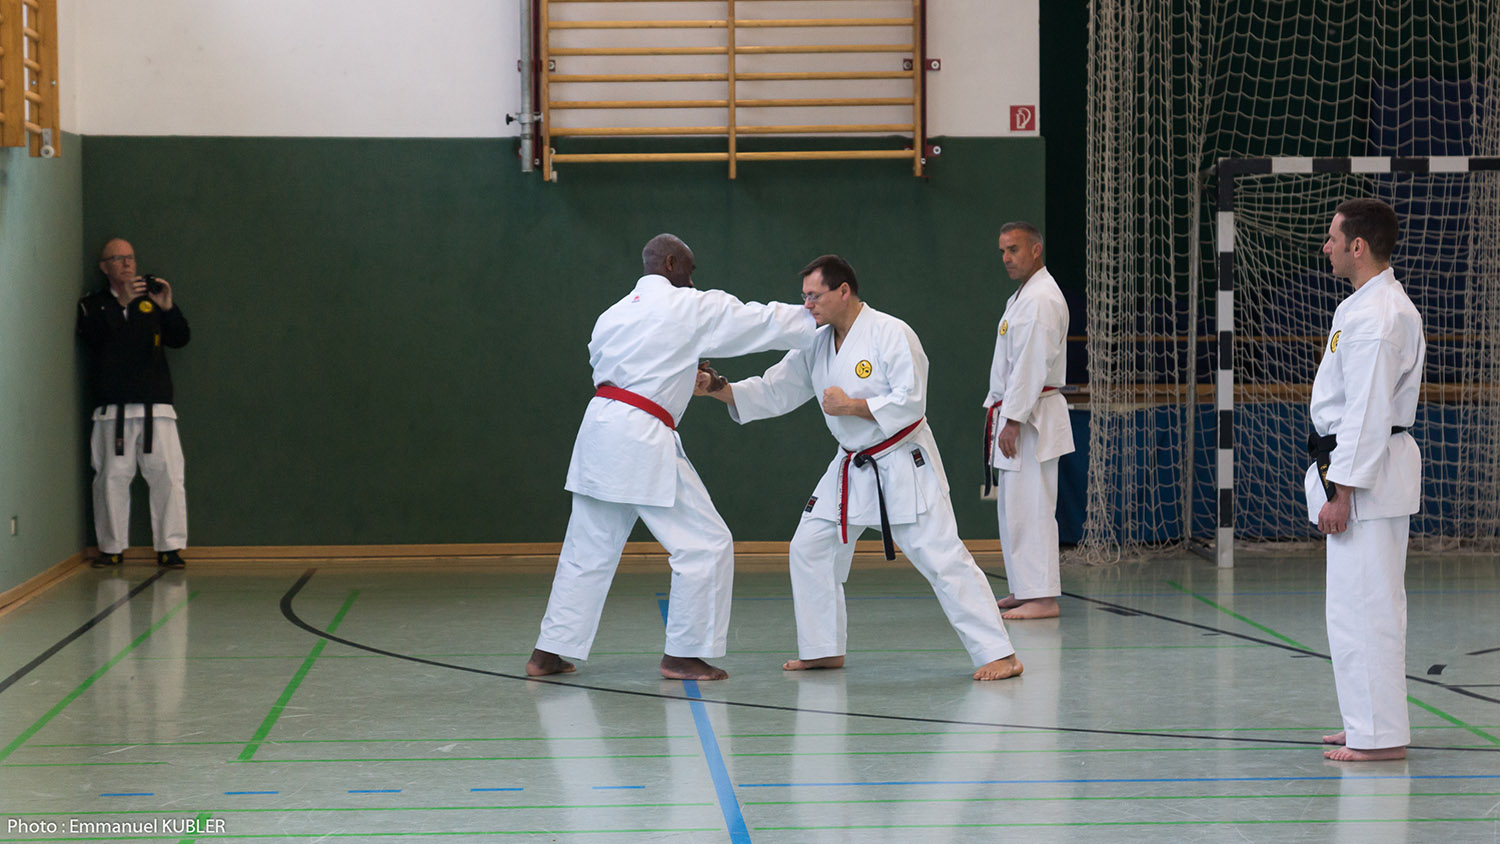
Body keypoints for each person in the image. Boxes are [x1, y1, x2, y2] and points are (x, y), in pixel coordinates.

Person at [697, 255, 1023, 681]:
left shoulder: (891, 333)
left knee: (942, 557)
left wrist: (852, 405)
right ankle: (823, 649)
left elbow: (911, 401)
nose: (807, 305)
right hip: (851, 465)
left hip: (902, 461)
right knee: (810, 547)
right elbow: (775, 390)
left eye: (815, 296)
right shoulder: (816, 343)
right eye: (804, 297)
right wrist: (717, 388)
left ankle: (1001, 654)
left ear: (843, 291)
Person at [526, 234, 816, 682]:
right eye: (689, 271)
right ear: (670, 263)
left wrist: (681, 369)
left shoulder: (611, 315)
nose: (692, 281)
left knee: (587, 550)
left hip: (599, 431)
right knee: (705, 544)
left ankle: (547, 653)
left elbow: (629, 364)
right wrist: (815, 314)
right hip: (641, 437)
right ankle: (683, 655)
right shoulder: (686, 305)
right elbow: (757, 320)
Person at [1306, 198, 1424, 762]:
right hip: (1359, 472)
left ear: (1358, 246)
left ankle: (1380, 737)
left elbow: (1368, 411)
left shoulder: (1379, 317)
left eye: (1333, 238)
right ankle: (1366, 723)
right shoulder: (1363, 306)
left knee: (1370, 608)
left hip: (1366, 481)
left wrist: (1342, 491)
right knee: (1351, 609)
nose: (1326, 246)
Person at [76, 238, 191, 570]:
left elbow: (180, 338)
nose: (127, 263)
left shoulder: (150, 301)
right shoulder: (93, 305)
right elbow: (92, 337)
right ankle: (111, 548)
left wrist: (168, 307)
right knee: (111, 479)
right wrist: (120, 304)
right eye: (118, 258)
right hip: (113, 410)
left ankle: (170, 548)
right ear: (104, 267)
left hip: (157, 407)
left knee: (168, 478)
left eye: (130, 257)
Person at [983, 222, 1073, 620]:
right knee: (1015, 508)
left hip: (1031, 417)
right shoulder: (1022, 297)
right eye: (1003, 250)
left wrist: (1014, 419)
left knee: (1033, 507)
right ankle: (1025, 588)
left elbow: (1031, 365)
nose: (1006, 257)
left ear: (1036, 250)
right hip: (1018, 411)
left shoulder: (1041, 300)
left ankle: (1043, 597)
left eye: (1014, 249)